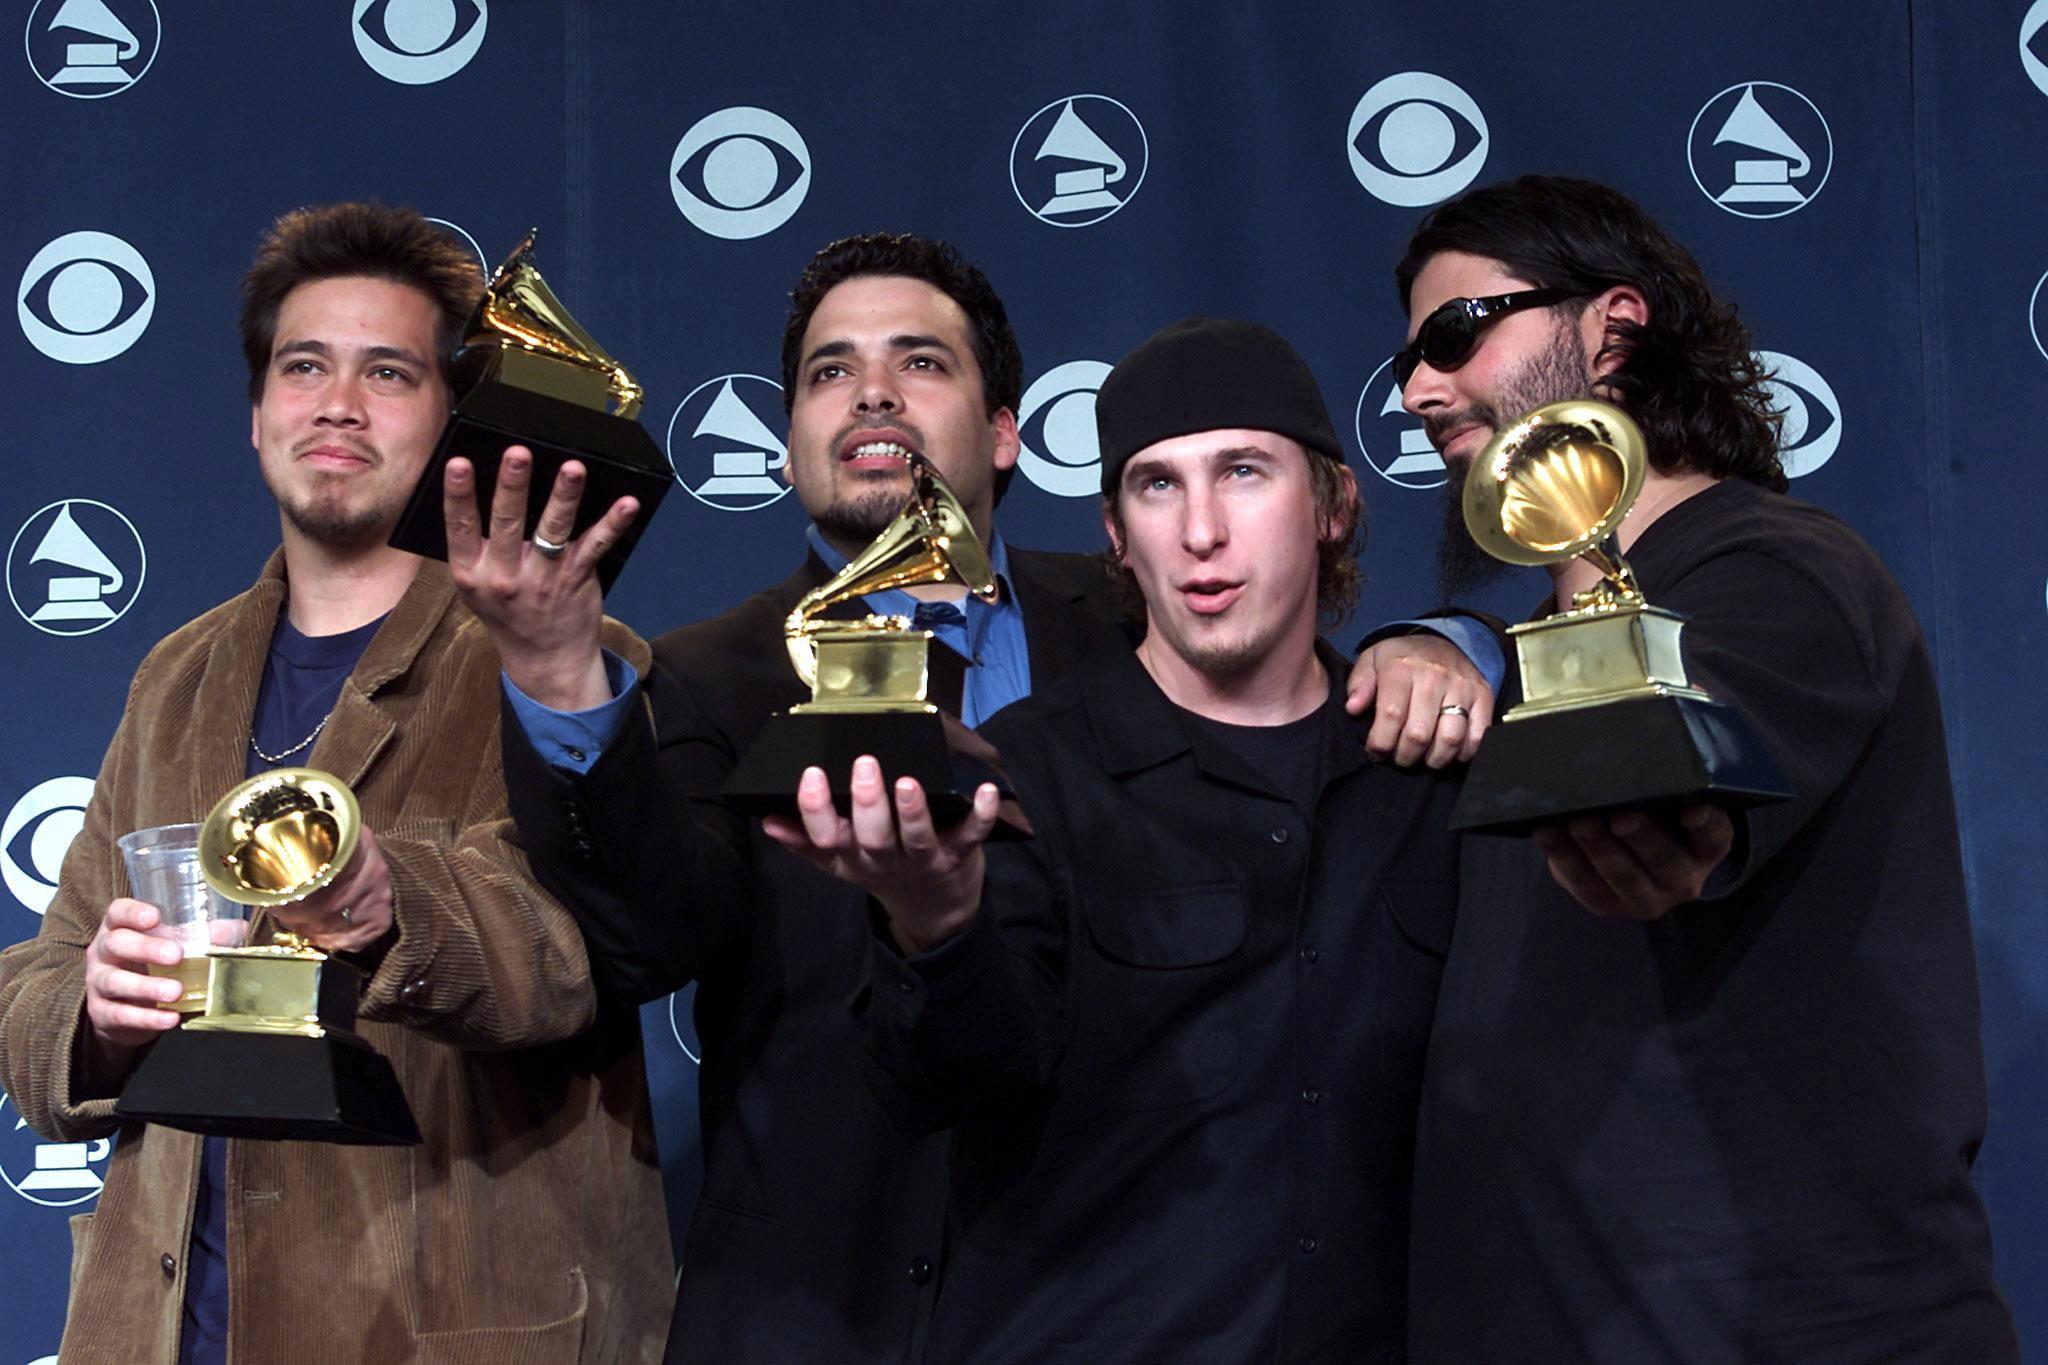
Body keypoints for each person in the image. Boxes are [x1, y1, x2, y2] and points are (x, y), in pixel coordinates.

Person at [454, 234, 1493, 1361]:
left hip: (1125, 1284)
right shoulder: (711, 675)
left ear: (1005, 433)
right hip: (829, 1309)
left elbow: (1291, 652)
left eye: (920, 361)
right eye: (831, 371)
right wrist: (555, 673)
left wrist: (1451, 641)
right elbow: (648, 936)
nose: (873, 394)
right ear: (788, 441)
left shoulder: (1146, 616)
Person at [0, 203, 671, 1365]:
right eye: (303, 366)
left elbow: (568, 958)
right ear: (259, 413)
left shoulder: (558, 659)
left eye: (388, 373)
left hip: (428, 1336)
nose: (338, 404)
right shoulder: (176, 674)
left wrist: (385, 903)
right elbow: (40, 983)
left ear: (454, 421)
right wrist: (97, 1016)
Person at [1392, 174, 2017, 1359]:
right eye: (1408, 360)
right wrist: (1442, 638)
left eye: (1457, 332)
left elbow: (1687, 766)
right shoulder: (1511, 652)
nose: (1420, 389)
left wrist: (1664, 824)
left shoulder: (1780, 571)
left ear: (1612, 327)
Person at [767, 316, 1461, 1360]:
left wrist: (1463, 641)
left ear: (1333, 505)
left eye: (1242, 473)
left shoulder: (1422, 768)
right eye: (1156, 486)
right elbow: (944, 1084)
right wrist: (935, 922)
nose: (1200, 532)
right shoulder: (1027, 767)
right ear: (1116, 535)